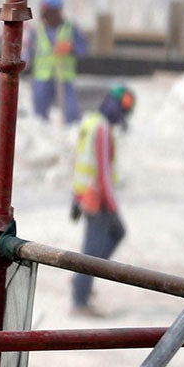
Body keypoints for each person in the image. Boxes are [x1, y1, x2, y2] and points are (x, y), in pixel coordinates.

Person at [69, 83, 136, 316]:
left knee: (115, 234)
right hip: (97, 198)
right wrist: (111, 203)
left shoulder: (90, 123)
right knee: (92, 249)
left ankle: (82, 282)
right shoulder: (101, 129)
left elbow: (77, 160)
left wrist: (75, 197)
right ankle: (80, 298)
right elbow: (102, 171)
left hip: (86, 195)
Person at [24, 0, 87, 125]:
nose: (45, 16)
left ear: (57, 11)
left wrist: (70, 48)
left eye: (49, 12)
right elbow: (28, 53)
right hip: (41, 78)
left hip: (64, 77)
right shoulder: (37, 30)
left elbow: (83, 49)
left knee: (71, 116)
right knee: (39, 118)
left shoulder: (71, 28)